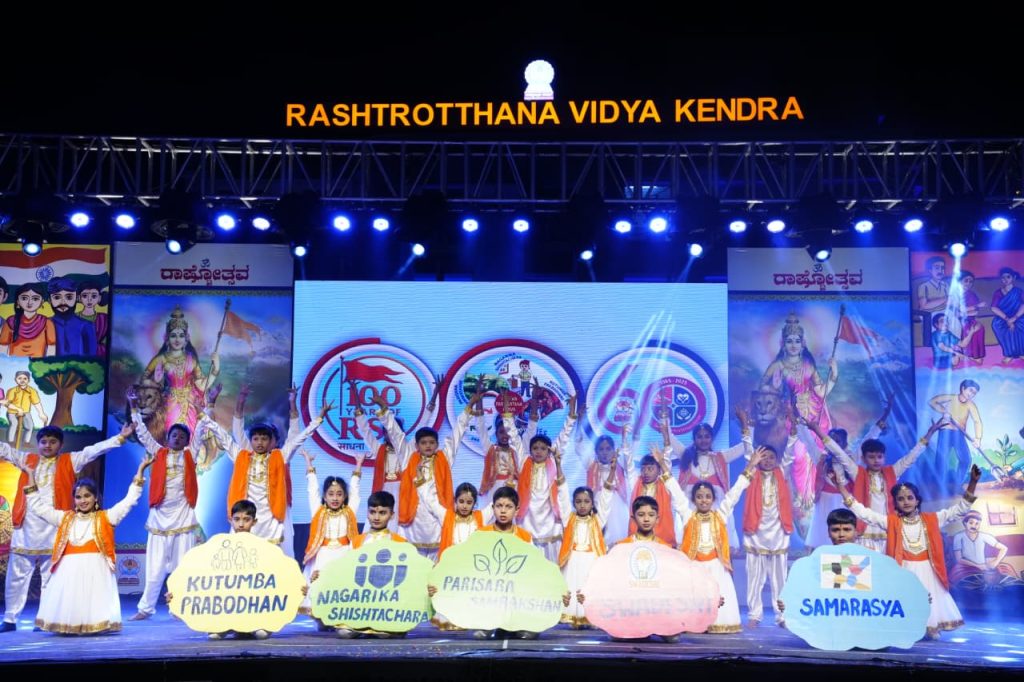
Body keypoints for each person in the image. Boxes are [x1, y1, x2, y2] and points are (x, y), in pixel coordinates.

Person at [0, 423, 133, 632]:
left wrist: (120, 438)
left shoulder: (70, 460)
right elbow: (5, 450)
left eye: (52, 442)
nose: (47, 445)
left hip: (55, 527)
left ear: (60, 445)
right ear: (38, 444)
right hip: (25, 526)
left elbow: (94, 450)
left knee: (50, 576)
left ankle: (44, 618)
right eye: (43, 442)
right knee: (16, 576)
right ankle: (10, 618)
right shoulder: (27, 459)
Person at [837, 464, 982, 640]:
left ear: (917, 500)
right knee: (905, 598)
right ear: (895, 503)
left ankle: (931, 626)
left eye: (909, 498)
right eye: (901, 499)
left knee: (930, 598)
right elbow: (865, 513)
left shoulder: (932, 519)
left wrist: (973, 483)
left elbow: (959, 510)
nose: (905, 502)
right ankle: (908, 627)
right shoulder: (891, 521)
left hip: (928, 568)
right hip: (904, 568)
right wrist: (841, 489)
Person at [20, 452, 152, 634]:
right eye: (78, 497)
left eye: (87, 496)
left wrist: (140, 471)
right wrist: (30, 475)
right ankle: (70, 626)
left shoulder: (106, 517)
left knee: (93, 601)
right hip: (68, 570)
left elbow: (129, 500)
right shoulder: (65, 518)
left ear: (95, 497)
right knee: (70, 601)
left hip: (96, 570)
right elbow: (38, 507)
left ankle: (93, 625)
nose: (82, 501)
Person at [127, 387, 216, 621]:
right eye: (174, 435)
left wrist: (210, 404)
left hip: (183, 517)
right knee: (154, 568)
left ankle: (179, 607)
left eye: (182, 437)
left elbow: (201, 430)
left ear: (187, 441)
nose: (178, 439)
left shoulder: (190, 454)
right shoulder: (158, 452)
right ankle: (145, 609)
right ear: (168, 438)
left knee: (181, 566)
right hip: (159, 517)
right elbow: (143, 433)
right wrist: (134, 407)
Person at [200, 402, 330, 555]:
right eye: (256, 439)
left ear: (270, 442)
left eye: (264, 439)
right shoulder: (241, 456)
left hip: (271, 516)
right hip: (246, 515)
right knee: (243, 553)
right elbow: (223, 437)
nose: (260, 442)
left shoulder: (279, 457)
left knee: (271, 556)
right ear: (251, 441)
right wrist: (205, 418)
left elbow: (299, 439)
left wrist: (319, 419)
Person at [663, 447, 766, 634]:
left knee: (719, 595)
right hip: (695, 566)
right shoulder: (688, 515)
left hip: (716, 565)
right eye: (699, 497)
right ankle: (694, 623)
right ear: (694, 499)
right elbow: (676, 493)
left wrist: (750, 466)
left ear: (713, 499)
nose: (704, 500)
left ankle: (717, 622)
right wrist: (663, 467)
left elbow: (734, 494)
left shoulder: (720, 514)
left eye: (707, 497)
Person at [809, 419, 940, 552]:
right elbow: (839, 453)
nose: (876, 460)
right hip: (863, 534)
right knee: (864, 565)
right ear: (864, 459)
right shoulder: (858, 473)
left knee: (888, 565)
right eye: (871, 457)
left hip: (887, 532)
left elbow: (911, 457)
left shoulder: (892, 473)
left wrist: (929, 434)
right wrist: (818, 431)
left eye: (879, 457)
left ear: (884, 457)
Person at [760, 312, 838, 532]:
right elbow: (764, 389)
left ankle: (814, 495)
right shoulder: (777, 366)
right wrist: (775, 387)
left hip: (815, 415)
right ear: (783, 344)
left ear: (802, 343)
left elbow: (820, 391)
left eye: (796, 341)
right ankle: (801, 499)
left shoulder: (808, 365)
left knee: (817, 456)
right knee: (799, 457)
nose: (793, 345)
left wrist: (834, 374)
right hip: (793, 417)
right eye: (789, 341)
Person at [167, 500, 274, 640]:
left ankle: (251, 626)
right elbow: (202, 579)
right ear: (230, 520)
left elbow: (274, 580)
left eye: (246, 520)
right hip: (228, 609)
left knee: (261, 634)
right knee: (214, 636)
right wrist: (178, 594)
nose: (241, 524)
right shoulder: (218, 546)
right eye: (237, 519)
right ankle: (229, 626)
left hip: (253, 610)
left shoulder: (263, 548)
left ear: (254, 522)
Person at [351, 373, 443, 531]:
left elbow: (424, 422)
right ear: (384, 433)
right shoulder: (378, 448)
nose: (391, 433)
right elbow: (364, 429)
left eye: (393, 430)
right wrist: (355, 396)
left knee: (401, 529)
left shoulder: (408, 447)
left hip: (404, 491)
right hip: (383, 491)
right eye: (387, 431)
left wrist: (435, 394)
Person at [662, 407, 752, 547]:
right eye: (700, 437)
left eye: (707, 436)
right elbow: (669, 438)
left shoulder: (721, 457)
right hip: (690, 504)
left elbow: (744, 448)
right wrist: (665, 417)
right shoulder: (686, 454)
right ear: (694, 439)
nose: (703, 440)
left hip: (715, 504)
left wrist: (746, 424)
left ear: (712, 438)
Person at [506, 394, 577, 561]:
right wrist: (507, 413)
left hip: (550, 516)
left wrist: (571, 413)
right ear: (530, 450)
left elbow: (564, 437)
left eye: (543, 448)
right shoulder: (524, 461)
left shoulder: (552, 461)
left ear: (549, 450)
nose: (539, 451)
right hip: (528, 516)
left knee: (551, 559)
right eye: (535, 448)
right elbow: (514, 437)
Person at [142, 306, 220, 445]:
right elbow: (144, 380)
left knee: (192, 439)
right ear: (167, 338)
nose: (177, 339)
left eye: (181, 335)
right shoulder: (161, 359)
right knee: (171, 437)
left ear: (186, 339)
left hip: (190, 403)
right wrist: (156, 381)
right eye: (173, 335)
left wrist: (215, 370)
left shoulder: (191, 359)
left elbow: (201, 385)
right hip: (170, 403)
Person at [301, 448, 362, 623]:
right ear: (325, 496)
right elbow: (312, 490)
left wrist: (358, 465)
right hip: (323, 554)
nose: (335, 498)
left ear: (345, 496)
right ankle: (321, 619)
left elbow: (355, 492)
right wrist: (308, 463)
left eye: (339, 494)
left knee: (342, 587)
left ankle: (341, 617)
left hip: (344, 553)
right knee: (321, 586)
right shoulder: (318, 511)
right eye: (331, 494)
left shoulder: (349, 511)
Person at [742, 440, 796, 629]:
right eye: (763, 457)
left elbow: (789, 455)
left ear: (777, 460)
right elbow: (749, 454)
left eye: (772, 457)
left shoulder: (782, 472)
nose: (767, 460)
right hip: (755, 531)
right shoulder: (751, 474)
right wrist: (746, 434)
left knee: (779, 578)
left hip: (779, 531)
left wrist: (793, 436)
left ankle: (782, 616)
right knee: (755, 577)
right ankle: (754, 615)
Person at [557, 469, 613, 628]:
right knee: (571, 588)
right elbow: (562, 496)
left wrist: (612, 470)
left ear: (592, 503)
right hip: (572, 560)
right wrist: (559, 465)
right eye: (578, 501)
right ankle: (573, 617)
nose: (582, 505)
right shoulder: (569, 518)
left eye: (586, 501)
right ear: (574, 503)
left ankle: (590, 617)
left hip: (590, 560)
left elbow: (606, 499)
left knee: (588, 589)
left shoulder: (598, 520)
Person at [574, 419, 633, 545]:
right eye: (601, 449)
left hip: (618, 507)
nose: (605, 452)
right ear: (596, 452)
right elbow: (578, 446)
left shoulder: (620, 463)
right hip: (597, 505)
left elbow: (628, 455)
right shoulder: (591, 463)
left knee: (619, 540)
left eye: (608, 449)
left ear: (613, 450)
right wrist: (579, 423)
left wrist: (624, 438)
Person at [929, 380, 983, 488]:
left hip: (959, 434)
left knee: (966, 459)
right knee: (941, 460)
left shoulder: (971, 405)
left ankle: (957, 485)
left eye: (974, 393)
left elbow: (977, 421)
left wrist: (978, 438)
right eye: (970, 390)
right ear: (963, 388)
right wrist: (944, 411)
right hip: (945, 432)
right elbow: (932, 402)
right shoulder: (951, 398)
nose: (972, 394)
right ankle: (940, 487)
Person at [950, 510, 1012, 586]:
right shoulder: (958, 537)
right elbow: (959, 559)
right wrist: (978, 566)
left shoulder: (984, 536)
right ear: (965, 523)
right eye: (971, 523)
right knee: (964, 584)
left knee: (1001, 579)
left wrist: (995, 562)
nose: (974, 526)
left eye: (977, 523)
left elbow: (1004, 548)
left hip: (983, 568)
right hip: (965, 568)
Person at [433, 482, 493, 560]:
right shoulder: (446, 516)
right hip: (451, 562)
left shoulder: (481, 516)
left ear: (474, 503)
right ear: (455, 501)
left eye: (469, 503)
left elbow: (496, 502)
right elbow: (431, 503)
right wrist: (421, 482)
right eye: (461, 501)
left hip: (473, 562)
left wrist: (508, 484)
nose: (464, 506)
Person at [627, 449, 676, 546]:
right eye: (643, 469)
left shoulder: (665, 484)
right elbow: (629, 468)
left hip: (662, 539)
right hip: (638, 538)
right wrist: (626, 448)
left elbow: (667, 471)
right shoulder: (636, 483)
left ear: (659, 470)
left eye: (650, 469)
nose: (645, 472)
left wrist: (667, 447)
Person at [0, 283, 56, 357]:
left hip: (38, 363)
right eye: (24, 298)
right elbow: (3, 348)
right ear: (18, 301)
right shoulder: (10, 322)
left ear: (42, 302)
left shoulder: (47, 323)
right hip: (13, 363)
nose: (29, 302)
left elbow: (51, 349)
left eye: (35, 299)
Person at [47, 277, 97, 356]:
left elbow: (92, 357)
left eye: (69, 297)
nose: (63, 302)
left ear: (76, 299)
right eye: (57, 297)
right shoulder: (44, 325)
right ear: (50, 300)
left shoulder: (86, 325)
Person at [5, 371, 49, 447]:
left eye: (25, 378)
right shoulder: (12, 390)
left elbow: (36, 403)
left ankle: (26, 442)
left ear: (28, 380)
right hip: (12, 412)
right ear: (15, 380)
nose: (22, 380)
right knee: (14, 424)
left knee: (30, 426)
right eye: (20, 378)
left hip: (25, 412)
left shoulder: (32, 391)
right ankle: (10, 441)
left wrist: (41, 413)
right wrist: (18, 409)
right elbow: (7, 403)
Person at [991, 267, 1024, 364]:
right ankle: (1009, 354)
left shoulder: (1019, 292)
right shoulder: (998, 292)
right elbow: (994, 308)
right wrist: (1007, 319)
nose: (1005, 279)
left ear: (1013, 277)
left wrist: (1015, 318)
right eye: (1003, 277)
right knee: (996, 324)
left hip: (1018, 316)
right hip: (1003, 317)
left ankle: (1022, 352)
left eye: (1008, 277)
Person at [952, 271, 986, 364]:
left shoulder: (971, 294)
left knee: (979, 328)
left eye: (970, 281)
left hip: (970, 319)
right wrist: (975, 306)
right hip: (956, 320)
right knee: (967, 329)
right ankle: (966, 353)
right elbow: (957, 311)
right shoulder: (955, 294)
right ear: (960, 281)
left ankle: (976, 355)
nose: (968, 283)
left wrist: (967, 311)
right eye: (966, 280)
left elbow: (975, 312)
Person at [75, 281, 109, 356]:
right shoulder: (74, 317)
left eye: (94, 296)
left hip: (98, 354)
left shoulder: (104, 318)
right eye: (85, 296)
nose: (89, 299)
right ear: (79, 298)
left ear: (99, 298)